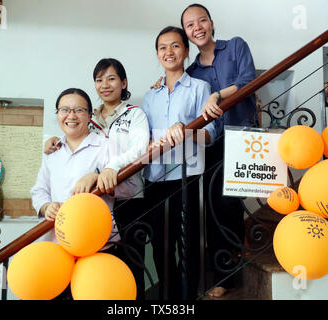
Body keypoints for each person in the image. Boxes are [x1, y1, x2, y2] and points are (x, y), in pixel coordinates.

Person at [44, 60, 150, 299]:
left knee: (130, 268)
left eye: (111, 78)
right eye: (99, 79)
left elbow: (139, 150)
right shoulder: (87, 118)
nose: (105, 85)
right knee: (94, 272)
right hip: (94, 205)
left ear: (123, 83)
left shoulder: (135, 114)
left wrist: (109, 168)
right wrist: (51, 139)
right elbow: (75, 145)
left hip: (129, 199)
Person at [180, 3, 257, 298]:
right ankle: (226, 274)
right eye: (190, 25)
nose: (197, 27)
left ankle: (235, 268)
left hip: (242, 136)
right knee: (214, 209)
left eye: (201, 21)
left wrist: (216, 93)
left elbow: (248, 82)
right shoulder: (191, 70)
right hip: (211, 142)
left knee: (230, 204)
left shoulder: (235, 46)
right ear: (187, 33)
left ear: (211, 23)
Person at [142, 26, 216, 300]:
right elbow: (145, 137)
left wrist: (185, 129)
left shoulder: (200, 88)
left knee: (188, 246)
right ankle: (170, 299)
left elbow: (210, 135)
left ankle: (187, 300)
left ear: (186, 51)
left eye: (175, 46)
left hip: (186, 178)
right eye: (162, 47)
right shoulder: (151, 95)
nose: (168, 52)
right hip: (155, 178)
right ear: (157, 54)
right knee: (160, 245)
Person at [30, 88, 135, 249]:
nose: (71, 116)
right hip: (58, 241)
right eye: (64, 110)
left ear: (89, 116)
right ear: (58, 113)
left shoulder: (106, 146)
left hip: (96, 242)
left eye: (79, 110)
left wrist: (97, 177)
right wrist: (46, 207)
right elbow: (39, 190)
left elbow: (130, 188)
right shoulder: (52, 150)